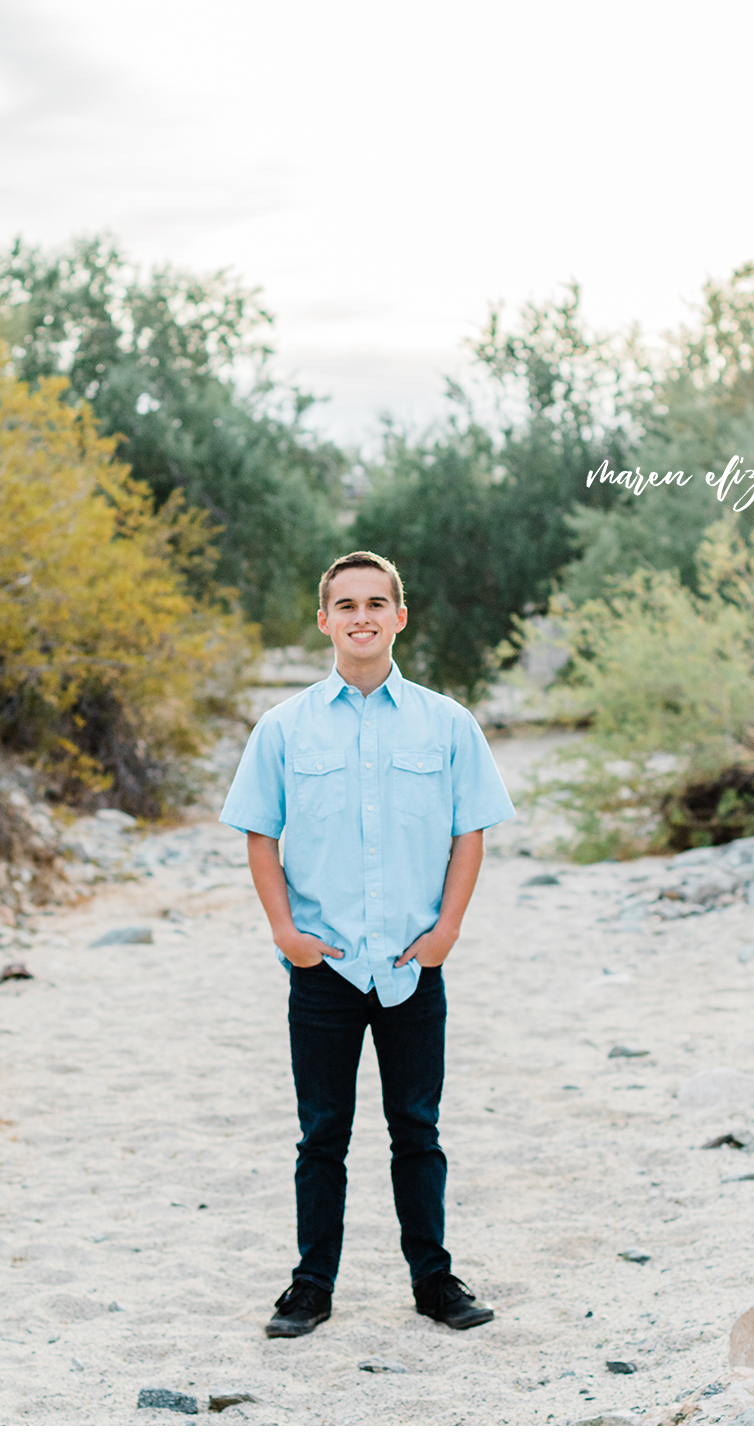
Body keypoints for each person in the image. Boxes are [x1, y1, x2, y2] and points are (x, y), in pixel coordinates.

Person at [219, 550, 514, 1338]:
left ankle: (435, 1283)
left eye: (376, 603)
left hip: (414, 966)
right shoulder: (282, 728)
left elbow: (470, 832)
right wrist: (287, 934)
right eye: (346, 605)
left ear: (399, 617)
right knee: (323, 1137)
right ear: (324, 620)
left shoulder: (446, 724)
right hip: (326, 970)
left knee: (418, 1132)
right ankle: (310, 1288)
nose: (361, 617)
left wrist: (447, 931)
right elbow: (258, 833)